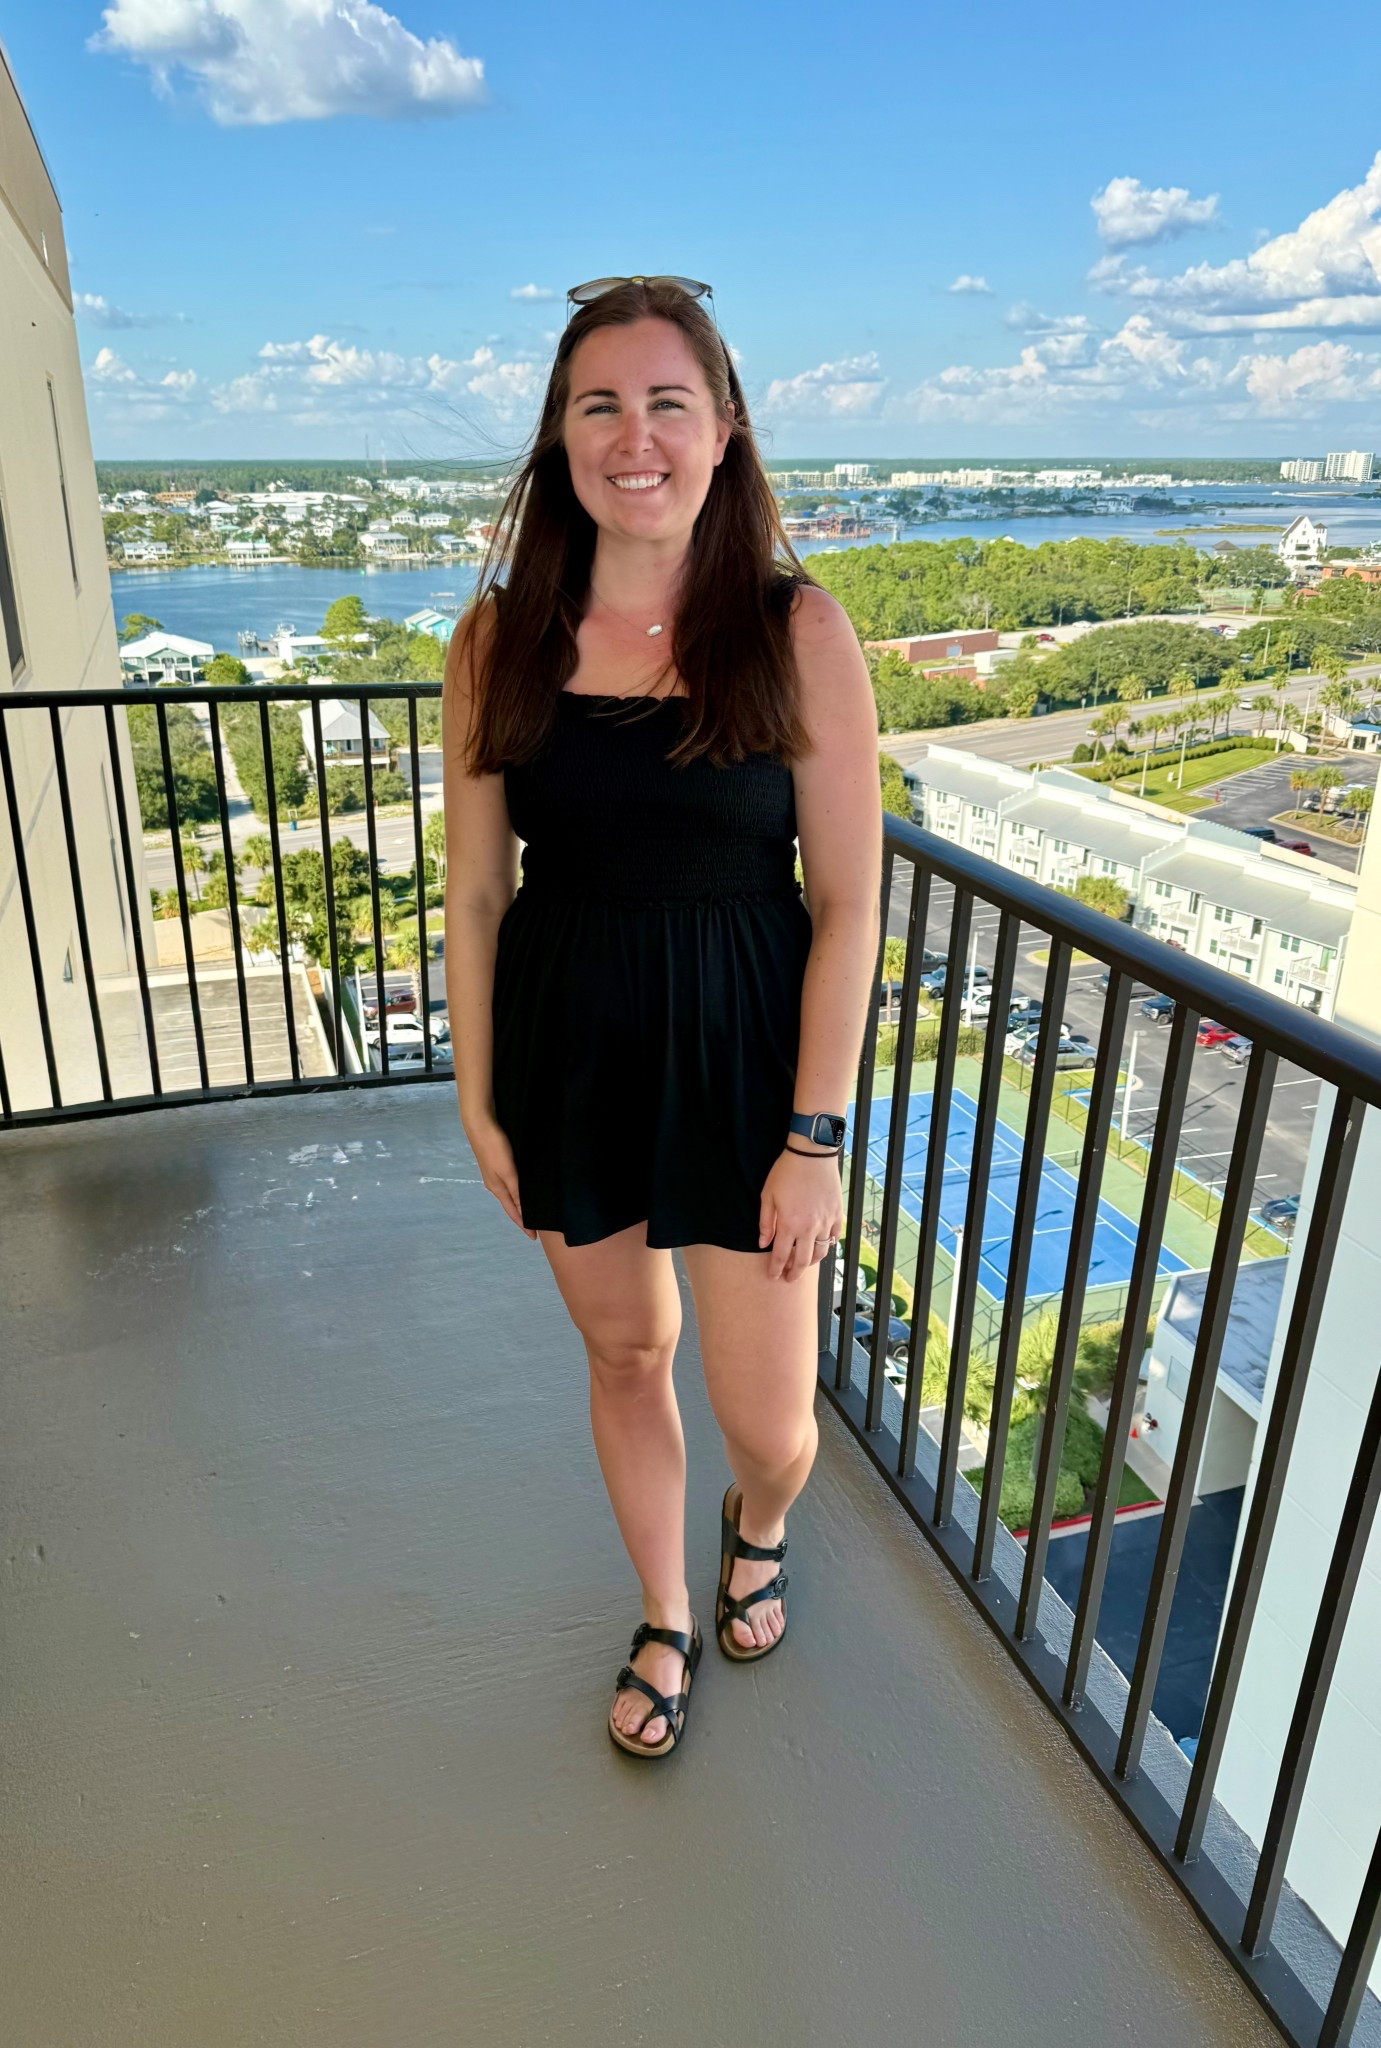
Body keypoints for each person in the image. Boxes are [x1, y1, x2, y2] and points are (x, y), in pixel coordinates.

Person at [441, 275, 881, 1760]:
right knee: (624, 1354)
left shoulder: (795, 629)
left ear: (724, 427)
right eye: (599, 404)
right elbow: (480, 894)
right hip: (571, 1041)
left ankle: (754, 1526)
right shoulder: (497, 639)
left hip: (749, 1056)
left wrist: (813, 1134)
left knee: (772, 1425)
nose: (635, 436)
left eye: (665, 401)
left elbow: (847, 905)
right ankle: (663, 1608)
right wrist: (477, 1093)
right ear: (560, 436)